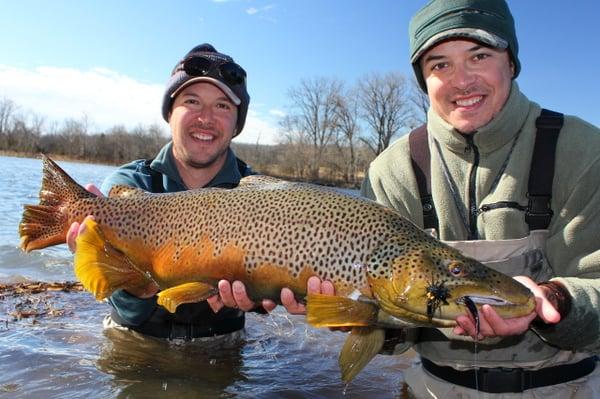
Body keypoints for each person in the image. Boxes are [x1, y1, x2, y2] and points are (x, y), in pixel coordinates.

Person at [354, 0, 600, 397]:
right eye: (440, 65)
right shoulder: (391, 170)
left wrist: (556, 302)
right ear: (424, 79)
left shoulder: (585, 151)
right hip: (431, 388)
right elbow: (390, 338)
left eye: (479, 55)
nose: (461, 81)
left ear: (512, 63)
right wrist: (351, 315)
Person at [68, 43, 276, 341]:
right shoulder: (129, 185)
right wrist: (107, 266)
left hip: (221, 348)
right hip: (135, 342)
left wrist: (265, 295)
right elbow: (124, 311)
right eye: (192, 101)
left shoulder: (261, 196)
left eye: (222, 106)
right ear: (170, 112)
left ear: (236, 124)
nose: (206, 117)